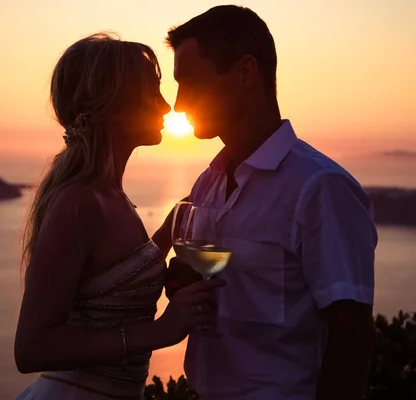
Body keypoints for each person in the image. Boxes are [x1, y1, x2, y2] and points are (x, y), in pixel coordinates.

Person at [153, 6, 378, 400]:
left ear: (244, 73)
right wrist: (186, 287)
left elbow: (352, 337)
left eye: (190, 82)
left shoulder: (319, 188)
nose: (178, 103)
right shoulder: (208, 183)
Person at [13, 33, 225, 400]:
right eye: (152, 92)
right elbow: (32, 348)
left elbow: (116, 279)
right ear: (115, 107)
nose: (166, 107)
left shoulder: (109, 196)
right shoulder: (78, 204)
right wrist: (160, 332)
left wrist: (172, 227)